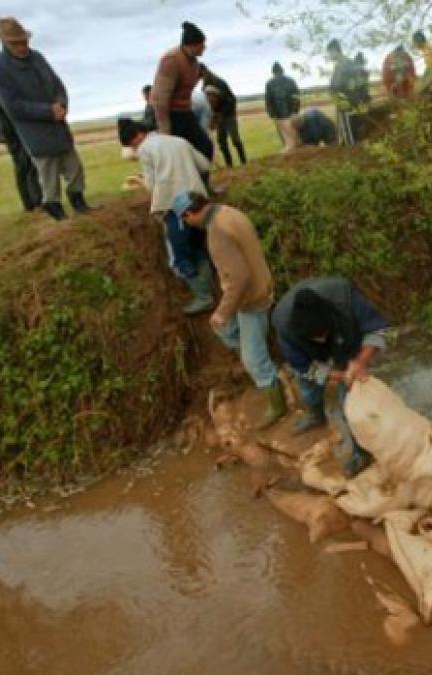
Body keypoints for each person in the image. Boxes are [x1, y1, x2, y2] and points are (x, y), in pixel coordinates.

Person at [170, 191, 286, 428]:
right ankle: (256, 360)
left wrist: (223, 311)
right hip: (258, 286)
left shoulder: (217, 233)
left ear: (189, 214)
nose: (186, 223)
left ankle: (277, 402)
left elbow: (239, 278)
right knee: (224, 330)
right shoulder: (228, 212)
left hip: (250, 299)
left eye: (184, 218)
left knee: (253, 358)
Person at [272, 277, 389, 477]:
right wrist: (338, 375)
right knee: (307, 388)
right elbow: (305, 367)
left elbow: (377, 330)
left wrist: (359, 362)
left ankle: (361, 451)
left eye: (323, 333)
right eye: (315, 337)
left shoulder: (345, 298)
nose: (322, 339)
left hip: (345, 340)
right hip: (310, 355)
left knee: (349, 405)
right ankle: (316, 415)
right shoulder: (283, 325)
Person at [0, 17, 94, 221]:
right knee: (48, 173)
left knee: (74, 168)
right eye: (15, 43)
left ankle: (79, 202)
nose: (22, 46)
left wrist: (61, 105)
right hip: (34, 131)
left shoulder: (37, 57)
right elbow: (12, 106)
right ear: (4, 42)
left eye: (23, 41)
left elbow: (57, 85)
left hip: (58, 125)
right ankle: (54, 209)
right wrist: (47, 111)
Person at [117, 118, 215, 315]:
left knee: (180, 255)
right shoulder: (178, 140)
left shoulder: (145, 149)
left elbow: (152, 186)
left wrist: (141, 180)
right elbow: (204, 165)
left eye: (132, 145)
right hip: (198, 200)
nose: (134, 149)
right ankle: (210, 288)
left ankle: (204, 297)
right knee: (197, 246)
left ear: (137, 137)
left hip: (177, 204)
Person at [0, 51, 41, 212]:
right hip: (13, 130)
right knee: (27, 166)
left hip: (5, 132)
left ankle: (30, 203)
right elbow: (9, 110)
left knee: (22, 166)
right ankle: (35, 202)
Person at [152, 22, 216, 171]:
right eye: (202, 44)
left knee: (205, 147)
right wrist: (165, 130)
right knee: (177, 156)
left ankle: (201, 184)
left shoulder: (194, 63)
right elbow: (160, 98)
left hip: (186, 112)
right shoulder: (171, 60)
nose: (204, 47)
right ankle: (185, 185)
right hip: (169, 114)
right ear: (192, 45)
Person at [202, 68, 246, 167]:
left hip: (229, 115)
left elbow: (232, 99)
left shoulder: (220, 83)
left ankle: (244, 162)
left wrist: (222, 113)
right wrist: (213, 116)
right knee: (222, 141)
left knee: (235, 139)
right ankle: (229, 165)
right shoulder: (205, 85)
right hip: (218, 115)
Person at [326, 39, 367, 145]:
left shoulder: (344, 65)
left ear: (334, 50)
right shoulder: (345, 64)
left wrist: (333, 91)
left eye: (329, 53)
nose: (329, 56)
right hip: (350, 103)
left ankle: (352, 150)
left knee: (350, 139)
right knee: (353, 134)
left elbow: (338, 85)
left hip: (347, 104)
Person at [264, 62, 301, 153]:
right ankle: (297, 151)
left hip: (280, 114)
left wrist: (272, 114)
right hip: (290, 113)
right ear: (282, 70)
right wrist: (295, 111)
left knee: (287, 137)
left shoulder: (269, 83)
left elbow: (268, 101)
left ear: (273, 72)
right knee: (294, 135)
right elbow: (296, 97)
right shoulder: (290, 80)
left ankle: (291, 151)